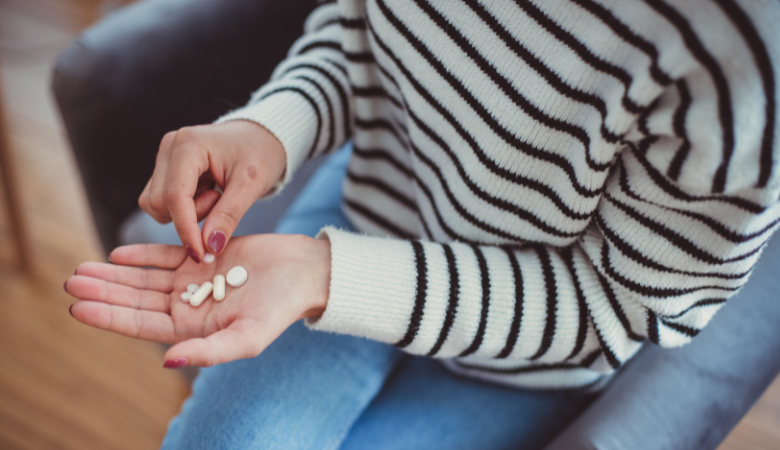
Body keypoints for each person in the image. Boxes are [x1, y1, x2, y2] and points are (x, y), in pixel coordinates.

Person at [64, 0, 780, 448]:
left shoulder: (746, 54)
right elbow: (360, 32)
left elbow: (616, 302)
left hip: (523, 356)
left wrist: (328, 278)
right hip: (367, 206)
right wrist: (268, 129)